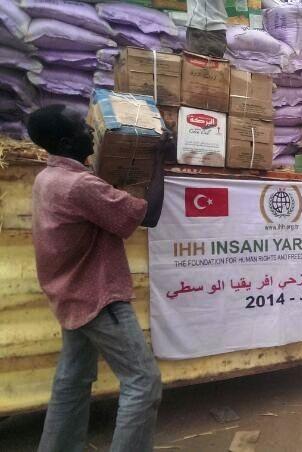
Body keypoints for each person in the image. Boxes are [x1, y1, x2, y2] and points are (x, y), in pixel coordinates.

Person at [28, 105, 172, 452]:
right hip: (98, 297)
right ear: (66, 142)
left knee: (73, 380)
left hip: (68, 294)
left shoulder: (47, 178)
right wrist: (158, 160)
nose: (92, 130)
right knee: (143, 382)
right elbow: (148, 215)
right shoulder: (79, 186)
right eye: (82, 127)